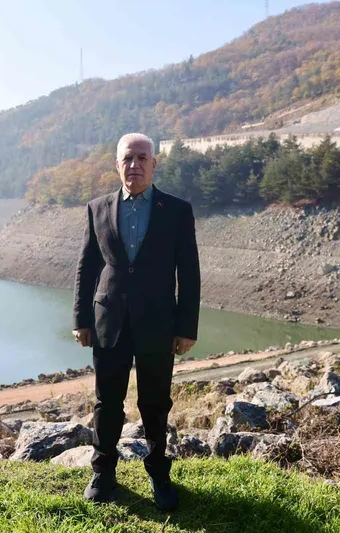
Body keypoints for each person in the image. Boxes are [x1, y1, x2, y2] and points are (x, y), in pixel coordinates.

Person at [72, 132, 201, 511]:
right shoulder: (97, 208)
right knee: (107, 401)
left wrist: (186, 328)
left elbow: (189, 273)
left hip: (158, 323)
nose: (135, 165)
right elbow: (86, 267)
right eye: (128, 158)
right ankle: (103, 472)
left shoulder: (176, 210)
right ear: (117, 165)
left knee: (155, 403)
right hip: (108, 321)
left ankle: (159, 473)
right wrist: (81, 319)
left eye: (142, 158)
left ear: (154, 164)